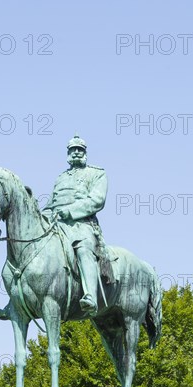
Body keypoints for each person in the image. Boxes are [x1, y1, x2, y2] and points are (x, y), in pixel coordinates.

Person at [43, 134, 108, 317]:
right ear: (68, 153)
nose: (77, 153)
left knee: (83, 248)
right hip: (57, 225)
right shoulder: (61, 178)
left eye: (80, 149)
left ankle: (90, 296)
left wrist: (70, 211)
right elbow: (51, 204)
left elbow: (96, 200)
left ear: (85, 152)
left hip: (82, 224)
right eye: (73, 150)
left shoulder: (96, 173)